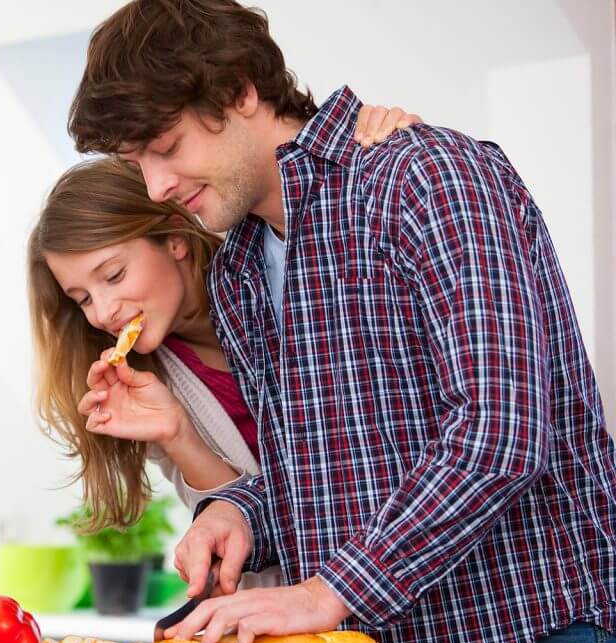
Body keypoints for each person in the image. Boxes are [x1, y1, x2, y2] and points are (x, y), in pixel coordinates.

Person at [66, 0, 616, 643]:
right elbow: (323, 472)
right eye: (136, 162)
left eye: (166, 146)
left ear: (239, 89)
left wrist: (330, 592)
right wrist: (239, 513)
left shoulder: (424, 177)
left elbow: (500, 432)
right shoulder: (238, 268)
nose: (156, 188)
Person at [29, 109, 420, 590]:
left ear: (174, 239)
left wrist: (383, 133)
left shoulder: (272, 277)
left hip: (402, 571)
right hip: (303, 600)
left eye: (113, 276)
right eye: (83, 299)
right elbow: (248, 532)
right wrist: (177, 434)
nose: (104, 311)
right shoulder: (147, 383)